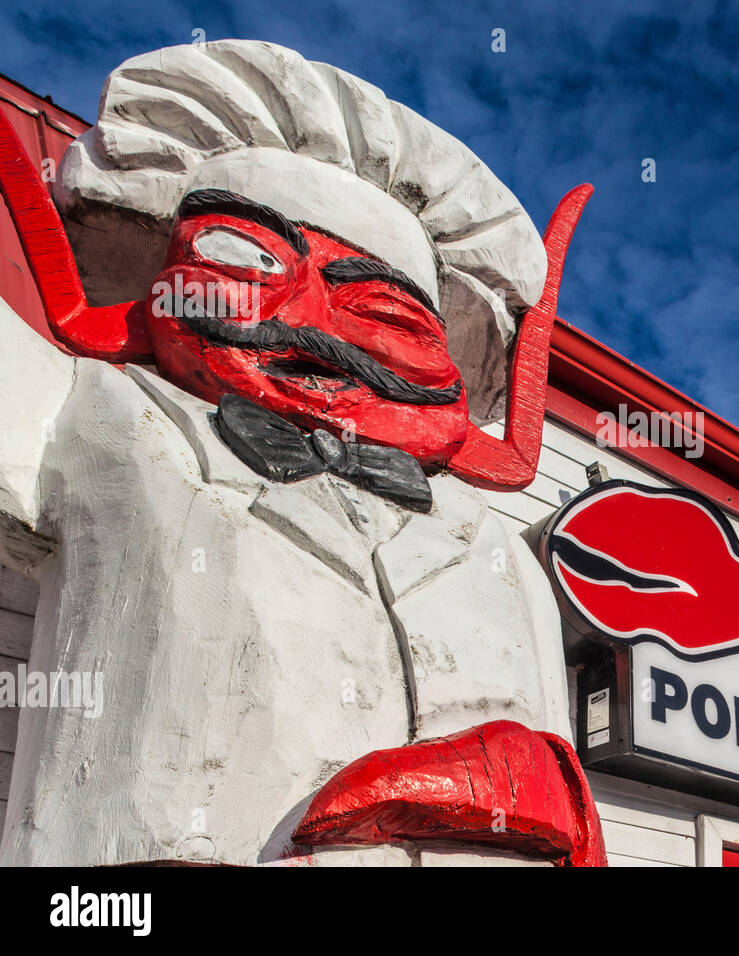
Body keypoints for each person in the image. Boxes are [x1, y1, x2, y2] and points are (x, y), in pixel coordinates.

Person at [0, 39, 604, 866]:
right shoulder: (99, 412)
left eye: (386, 311)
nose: (312, 316)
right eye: (249, 260)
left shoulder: (500, 550)